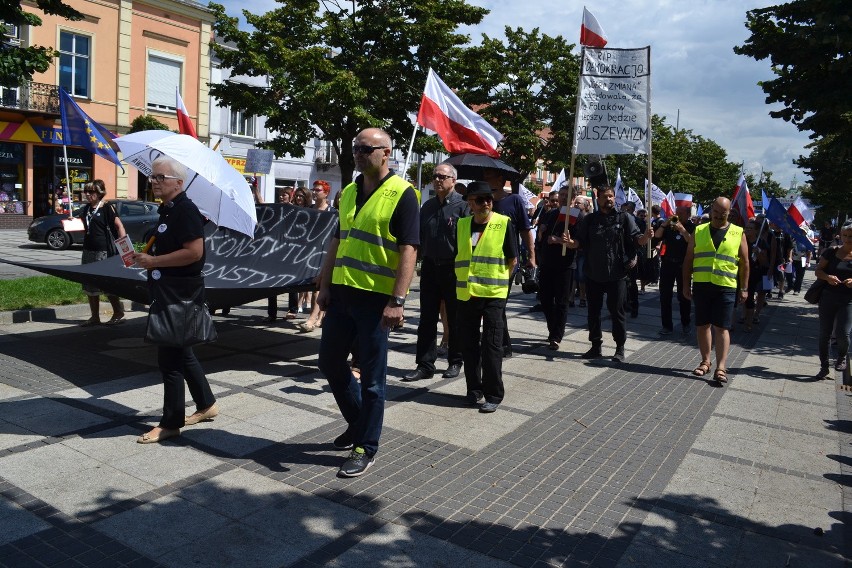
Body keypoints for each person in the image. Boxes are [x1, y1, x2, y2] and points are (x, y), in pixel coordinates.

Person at [316, 128, 419, 477]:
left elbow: (409, 249)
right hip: (343, 292)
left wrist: (398, 300)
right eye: (355, 148)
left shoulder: (403, 193)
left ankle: (366, 446)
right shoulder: (348, 191)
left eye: (366, 148)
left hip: (376, 300)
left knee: (373, 379)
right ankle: (359, 423)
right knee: (330, 362)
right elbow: (338, 238)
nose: (358, 153)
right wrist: (325, 281)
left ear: (386, 153)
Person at [132, 156, 218, 444]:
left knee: (169, 359)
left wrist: (155, 261)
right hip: (169, 291)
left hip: (179, 293)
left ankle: (171, 422)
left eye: (160, 178)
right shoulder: (168, 210)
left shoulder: (186, 211)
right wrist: (146, 258)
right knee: (183, 352)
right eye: (153, 177)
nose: (153, 181)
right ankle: (206, 404)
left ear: (178, 183)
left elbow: (194, 252)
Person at [565, 186, 653, 362]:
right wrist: (569, 243)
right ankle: (595, 346)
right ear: (598, 200)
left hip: (617, 274)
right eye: (605, 197)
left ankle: (619, 348)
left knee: (617, 312)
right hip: (593, 273)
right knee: (593, 312)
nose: (609, 199)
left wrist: (646, 237)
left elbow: (637, 241)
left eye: (611, 196)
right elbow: (579, 243)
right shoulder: (590, 220)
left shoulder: (624, 218)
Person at [455, 182, 517, 412]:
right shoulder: (461, 225)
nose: (486, 203)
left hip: (493, 295)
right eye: (480, 199)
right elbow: (459, 257)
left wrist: (502, 290)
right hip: (467, 294)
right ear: (469, 202)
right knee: (468, 346)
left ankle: (494, 394)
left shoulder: (503, 223)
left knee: (491, 346)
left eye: (489, 199)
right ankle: (474, 390)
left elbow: (512, 261)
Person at [404, 164, 466, 382]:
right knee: (427, 318)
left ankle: (455, 361)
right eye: (435, 176)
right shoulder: (427, 207)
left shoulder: (463, 207)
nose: (438, 180)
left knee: (455, 318)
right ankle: (424, 364)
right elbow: (418, 238)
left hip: (453, 269)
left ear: (453, 180)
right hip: (430, 267)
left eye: (442, 176)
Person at [683, 197, 749, 384]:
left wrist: (744, 288)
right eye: (716, 212)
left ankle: (721, 367)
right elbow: (688, 259)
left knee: (722, 327)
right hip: (702, 285)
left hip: (726, 286)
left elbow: (745, 263)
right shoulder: (699, 230)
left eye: (724, 213)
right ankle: (705, 362)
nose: (719, 216)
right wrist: (686, 284)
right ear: (711, 211)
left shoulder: (738, 233)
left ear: (730, 213)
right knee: (702, 325)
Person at [482, 167, 536, 358]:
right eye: (484, 177)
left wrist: (532, 257)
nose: (486, 179)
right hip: (484, 261)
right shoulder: (483, 202)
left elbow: (525, 230)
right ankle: (501, 343)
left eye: (489, 177)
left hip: (508, 262)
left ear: (500, 181)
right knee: (490, 306)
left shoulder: (514, 200)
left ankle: (501, 345)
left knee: (498, 305)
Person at [79, 180, 127, 326]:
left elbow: (119, 227)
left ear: (99, 193)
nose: (87, 194)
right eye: (86, 191)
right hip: (88, 250)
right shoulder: (86, 208)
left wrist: (124, 248)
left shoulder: (107, 207)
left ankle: (118, 313)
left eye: (91, 192)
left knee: (107, 283)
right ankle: (95, 316)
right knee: (89, 284)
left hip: (105, 251)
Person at [536, 186, 574, 350]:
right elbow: (540, 237)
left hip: (564, 265)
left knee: (561, 302)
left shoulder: (575, 215)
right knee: (545, 299)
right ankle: (553, 328)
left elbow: (578, 242)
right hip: (546, 263)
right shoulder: (550, 213)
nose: (563, 198)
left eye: (567, 195)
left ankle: (556, 335)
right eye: (562, 195)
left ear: (573, 198)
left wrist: (560, 240)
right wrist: (541, 231)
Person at [814, 222, 852, 375]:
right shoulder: (831, 252)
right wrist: (827, 277)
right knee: (825, 333)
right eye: (845, 236)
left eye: (851, 236)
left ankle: (842, 357)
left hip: (848, 300)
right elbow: (818, 271)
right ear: (841, 235)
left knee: (843, 333)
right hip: (828, 297)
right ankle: (824, 366)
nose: (848, 239)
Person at [654, 205, 695, 338]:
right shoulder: (670, 226)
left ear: (688, 214)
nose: (678, 215)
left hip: (683, 266)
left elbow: (692, 242)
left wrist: (682, 230)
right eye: (677, 212)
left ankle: (686, 323)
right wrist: (665, 224)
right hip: (667, 264)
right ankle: (666, 325)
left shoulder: (691, 227)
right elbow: (657, 236)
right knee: (665, 296)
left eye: (681, 213)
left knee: (684, 296)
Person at [300, 180, 336, 332]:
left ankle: (312, 319)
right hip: (310, 253)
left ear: (326, 193)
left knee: (318, 287)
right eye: (313, 189)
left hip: (325, 252)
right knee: (313, 286)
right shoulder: (309, 209)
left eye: (318, 190)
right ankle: (318, 317)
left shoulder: (332, 212)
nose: (314, 192)